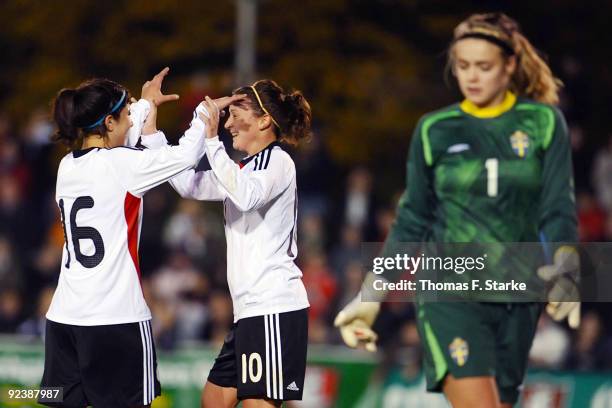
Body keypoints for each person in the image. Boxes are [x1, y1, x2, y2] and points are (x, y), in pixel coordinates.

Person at [334, 13, 578, 408]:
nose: (472, 77)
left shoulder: (544, 123)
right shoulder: (435, 130)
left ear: (510, 65)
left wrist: (566, 263)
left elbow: (558, 207)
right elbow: (412, 218)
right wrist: (371, 295)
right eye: (463, 66)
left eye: (484, 66)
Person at [39, 68, 241, 408]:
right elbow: (185, 156)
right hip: (116, 321)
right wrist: (205, 114)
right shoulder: (125, 165)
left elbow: (119, 133)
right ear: (108, 123)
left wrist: (145, 104)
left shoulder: (67, 166)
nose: (131, 121)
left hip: (64, 320)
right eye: (125, 115)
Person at [140, 79, 312, 408]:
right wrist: (151, 128)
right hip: (249, 311)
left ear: (264, 121)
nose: (228, 124)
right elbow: (186, 183)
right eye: (226, 117)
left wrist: (210, 140)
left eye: (235, 115)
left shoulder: (277, 161)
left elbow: (247, 196)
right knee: (214, 400)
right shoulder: (242, 169)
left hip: (273, 307)